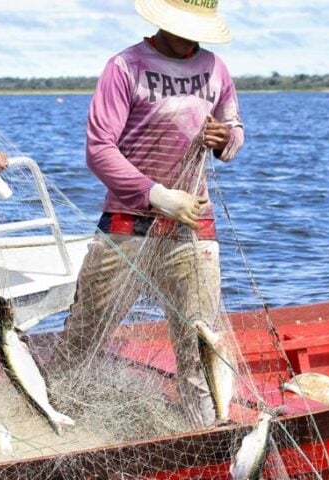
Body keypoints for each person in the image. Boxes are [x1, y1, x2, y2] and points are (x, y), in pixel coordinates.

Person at [57, 0, 244, 428]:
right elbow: (99, 150)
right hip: (127, 226)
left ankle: (206, 431)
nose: (190, 38)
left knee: (200, 341)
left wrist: (222, 140)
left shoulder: (216, 68)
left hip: (193, 226)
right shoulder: (125, 67)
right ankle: (57, 417)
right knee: (85, 335)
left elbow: (235, 131)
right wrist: (157, 195)